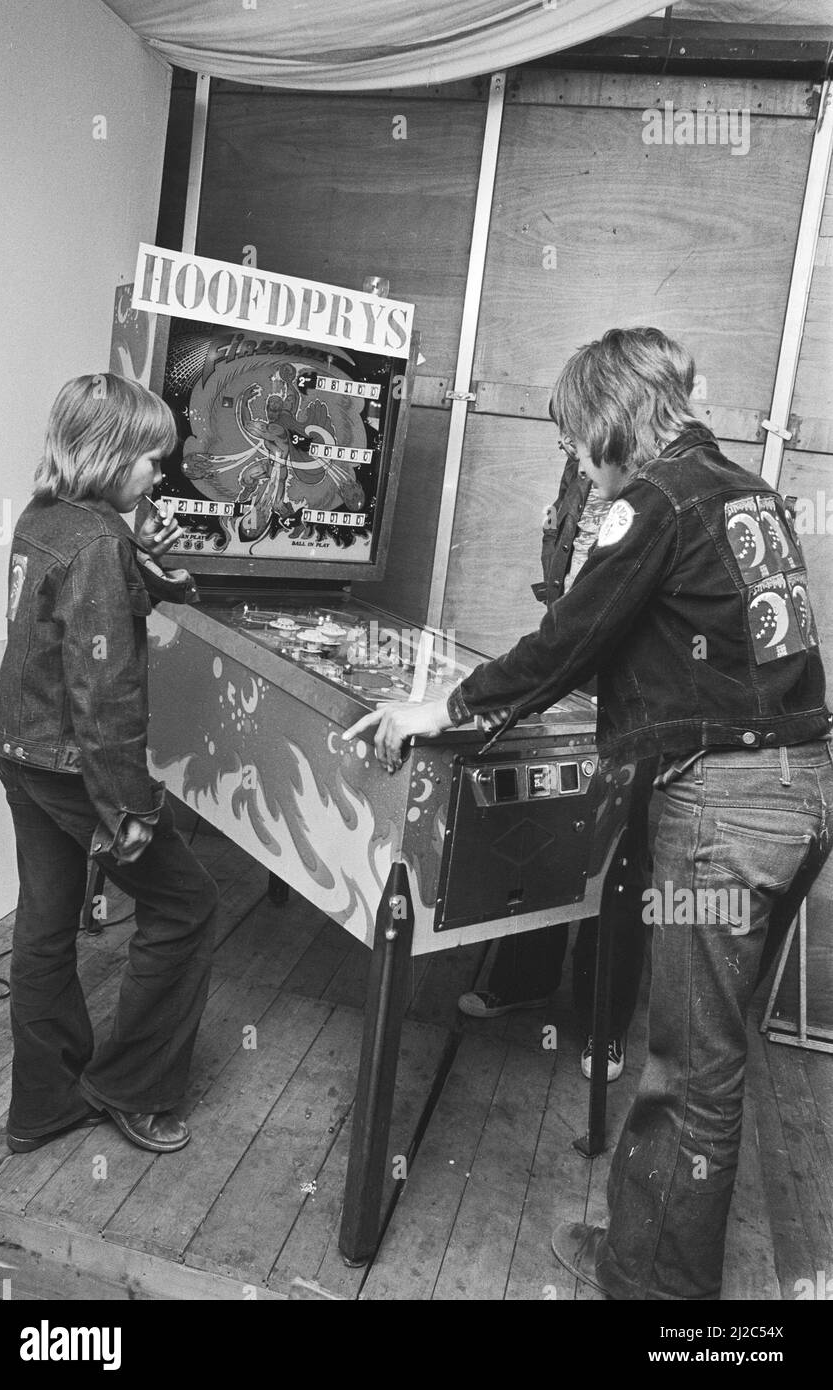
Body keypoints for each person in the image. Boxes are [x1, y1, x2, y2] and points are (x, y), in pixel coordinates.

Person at [345, 326, 833, 1300]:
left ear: (610, 421)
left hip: (729, 809)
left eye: (574, 442)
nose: (575, 463)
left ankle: (663, 1300)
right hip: (790, 791)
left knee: (693, 1071)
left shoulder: (651, 500)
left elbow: (566, 639)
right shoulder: (736, 489)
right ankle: (634, 1259)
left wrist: (438, 706)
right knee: (693, 1048)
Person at [0, 373, 219, 1156]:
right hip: (72, 763)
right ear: (110, 455)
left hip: (19, 751)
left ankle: (44, 1108)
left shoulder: (49, 517)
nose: (160, 475)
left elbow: (95, 617)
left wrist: (153, 561)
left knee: (45, 928)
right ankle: (131, 1087)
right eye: (152, 460)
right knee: (188, 906)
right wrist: (132, 808)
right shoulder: (96, 542)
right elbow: (105, 692)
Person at [458, 431, 656, 1083]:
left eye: (573, 428)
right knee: (541, 832)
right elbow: (565, 581)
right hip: (566, 680)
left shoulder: (658, 493)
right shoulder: (578, 477)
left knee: (616, 864)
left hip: (630, 704)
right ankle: (523, 980)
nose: (563, 441)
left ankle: (603, 1026)